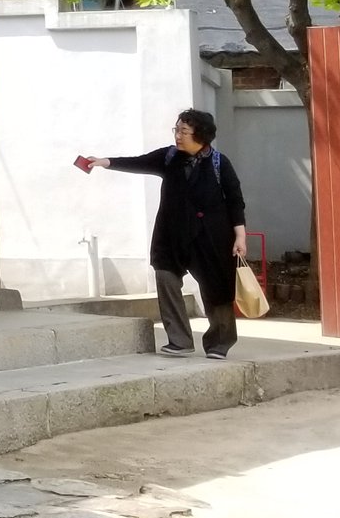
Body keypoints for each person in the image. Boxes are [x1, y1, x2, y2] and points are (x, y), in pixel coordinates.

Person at [80, 109, 248, 358]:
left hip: (211, 236)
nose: (178, 136)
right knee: (165, 277)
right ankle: (180, 341)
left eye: (184, 131)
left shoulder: (219, 163)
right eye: (176, 129)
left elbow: (235, 200)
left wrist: (240, 236)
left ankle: (219, 344)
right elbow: (138, 161)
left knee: (217, 288)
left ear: (200, 135)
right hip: (172, 235)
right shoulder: (169, 157)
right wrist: (105, 162)